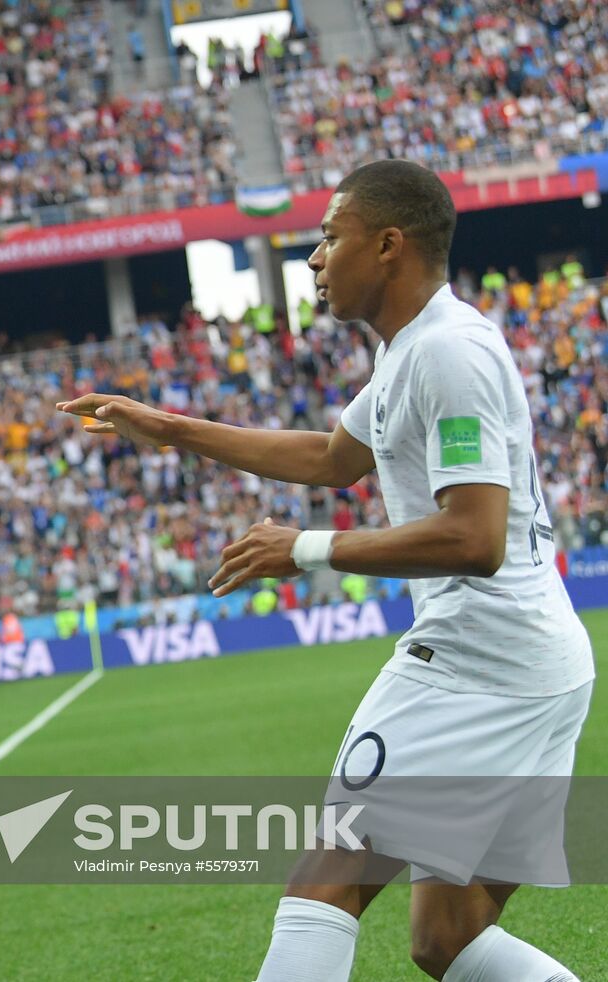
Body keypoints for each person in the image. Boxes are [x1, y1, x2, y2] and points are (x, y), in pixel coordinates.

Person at [60, 159, 593, 982]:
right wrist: (167, 427)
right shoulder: (411, 353)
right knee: (445, 939)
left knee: (326, 878)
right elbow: (332, 457)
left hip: (476, 664)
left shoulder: (448, 354)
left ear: (388, 246)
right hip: (540, 668)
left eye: (327, 237)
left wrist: (305, 548)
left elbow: (474, 537)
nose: (312, 258)